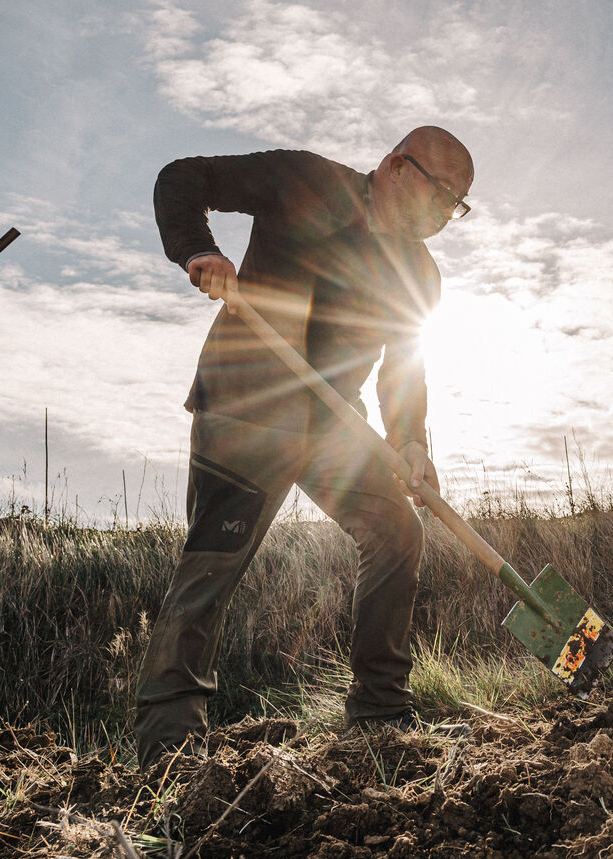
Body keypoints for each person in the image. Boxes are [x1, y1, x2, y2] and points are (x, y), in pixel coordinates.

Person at [134, 127, 475, 769]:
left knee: (397, 531)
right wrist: (199, 251)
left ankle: (380, 713)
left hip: (332, 426)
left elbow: (404, 368)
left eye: (457, 204)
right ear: (397, 167)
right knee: (213, 564)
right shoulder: (303, 181)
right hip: (250, 404)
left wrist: (410, 439)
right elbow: (181, 178)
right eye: (442, 192)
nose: (444, 213)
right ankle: (168, 746)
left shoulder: (419, 275)